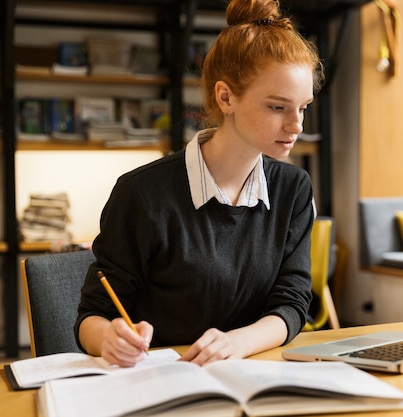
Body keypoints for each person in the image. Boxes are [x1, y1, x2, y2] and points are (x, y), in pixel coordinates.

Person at [74, 0, 323, 367]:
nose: (296, 125)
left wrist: (237, 343)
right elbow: (92, 315)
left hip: (254, 374)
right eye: (277, 107)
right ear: (226, 97)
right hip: (165, 380)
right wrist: (108, 338)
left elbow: (292, 302)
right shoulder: (141, 194)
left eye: (303, 107)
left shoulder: (294, 189)